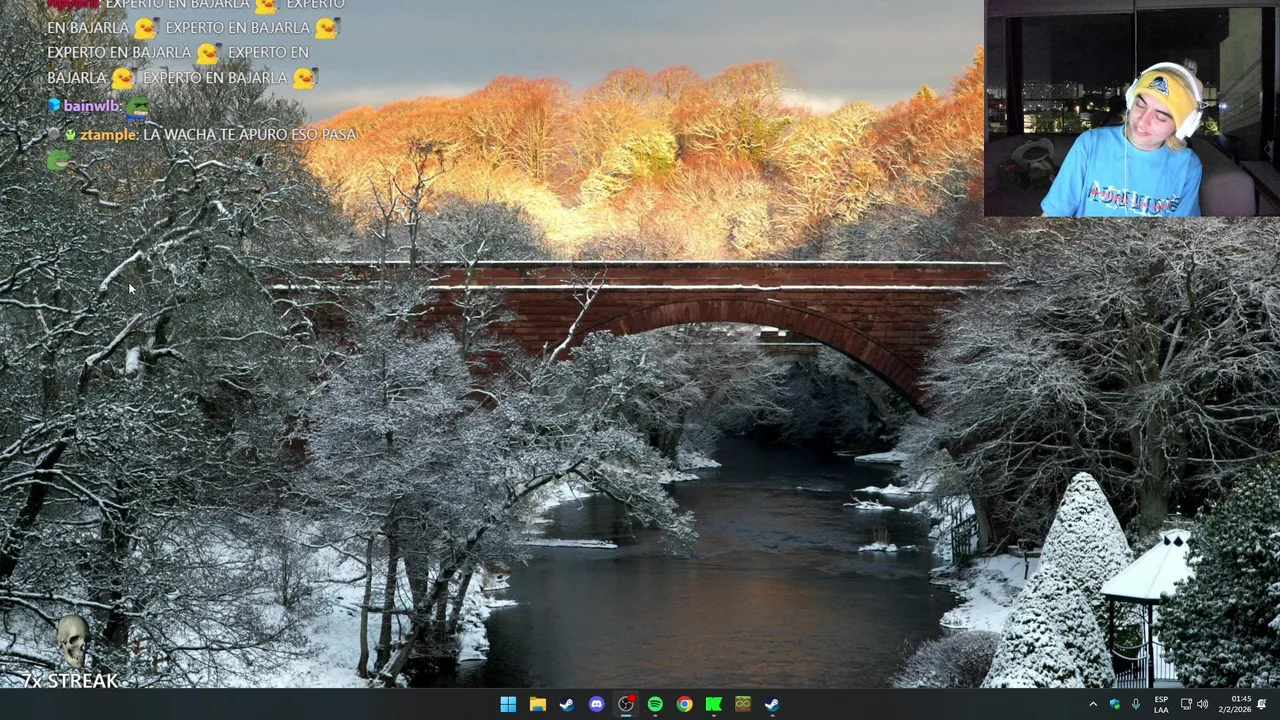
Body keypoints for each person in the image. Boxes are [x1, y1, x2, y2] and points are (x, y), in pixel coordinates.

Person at [1041, 62, 1205, 217]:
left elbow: (1182, 232)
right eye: (1140, 105)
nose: (1142, 121)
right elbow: (1053, 216)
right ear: (1130, 101)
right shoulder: (1090, 144)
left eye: (1160, 117)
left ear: (1183, 126)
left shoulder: (1188, 166)